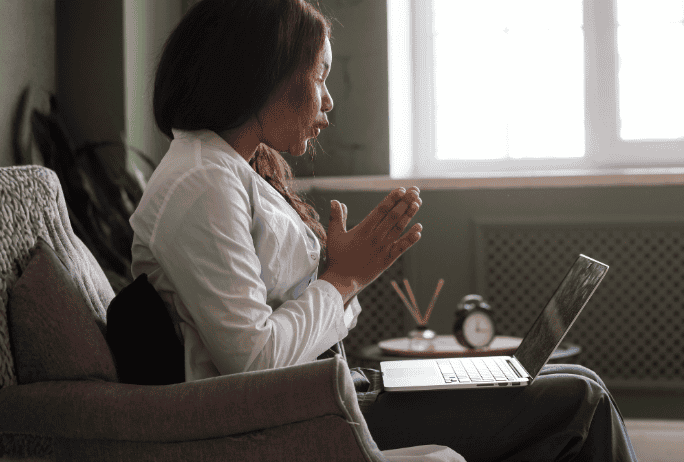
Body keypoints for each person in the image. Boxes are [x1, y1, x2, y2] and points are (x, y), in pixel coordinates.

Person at [131, 0, 637, 460]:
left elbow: (301, 323)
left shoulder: (229, 171)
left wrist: (337, 273)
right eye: (319, 76)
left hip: (329, 394)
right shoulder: (202, 183)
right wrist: (343, 279)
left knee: (578, 379)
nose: (328, 101)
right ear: (263, 77)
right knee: (581, 402)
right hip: (288, 425)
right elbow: (254, 363)